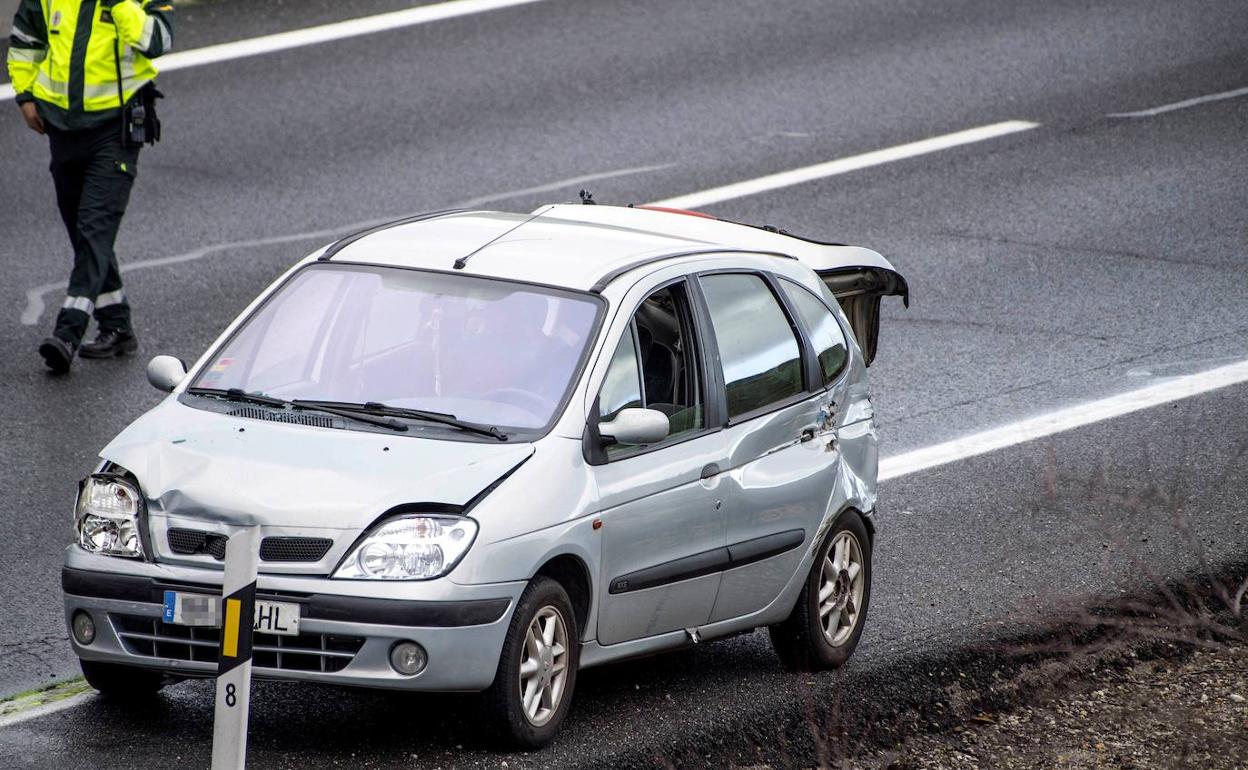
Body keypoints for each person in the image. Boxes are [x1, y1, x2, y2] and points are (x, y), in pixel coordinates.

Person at [7, 0, 174, 374]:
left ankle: (68, 330)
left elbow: (159, 40)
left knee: (95, 230)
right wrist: (26, 95)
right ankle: (116, 325)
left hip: (115, 130)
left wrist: (122, 7)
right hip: (61, 128)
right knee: (83, 233)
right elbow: (25, 41)